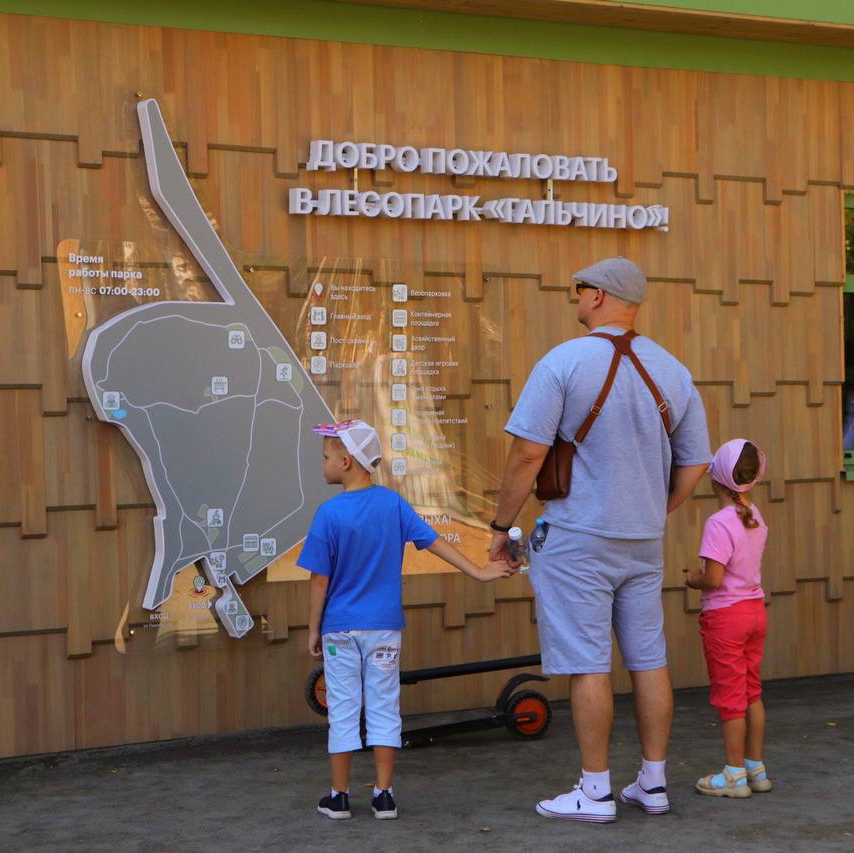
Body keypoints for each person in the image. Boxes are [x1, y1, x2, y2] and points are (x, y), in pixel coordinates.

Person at [489, 257, 711, 823]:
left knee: (589, 664)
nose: (575, 297)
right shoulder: (674, 371)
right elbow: (695, 463)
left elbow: (527, 454)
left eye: (579, 288)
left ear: (598, 297)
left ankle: (594, 792)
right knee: (649, 660)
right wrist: (653, 508)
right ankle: (653, 784)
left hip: (577, 538)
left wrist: (500, 526)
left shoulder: (563, 362)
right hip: (643, 541)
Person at [302, 419, 515, 821]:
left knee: (343, 709)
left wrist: (314, 628)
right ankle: (384, 796)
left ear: (346, 462)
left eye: (326, 456)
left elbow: (319, 581)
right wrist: (478, 571)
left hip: (340, 629)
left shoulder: (328, 513)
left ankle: (339, 797)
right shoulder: (393, 505)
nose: (323, 463)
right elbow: (435, 543)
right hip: (385, 628)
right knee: (384, 708)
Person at [684, 438, 773, 798]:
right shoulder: (756, 516)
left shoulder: (719, 523)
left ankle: (734, 775)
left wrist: (693, 578)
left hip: (726, 618)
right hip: (755, 612)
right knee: (752, 692)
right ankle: (756, 768)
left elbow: (714, 579)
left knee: (730, 697)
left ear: (715, 479)